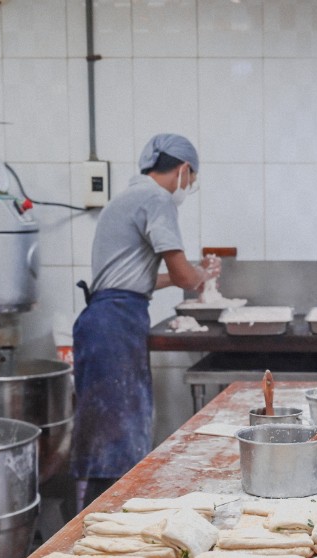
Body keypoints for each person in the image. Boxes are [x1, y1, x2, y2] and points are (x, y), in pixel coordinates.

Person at [71, 133, 221, 509]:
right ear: (184, 170)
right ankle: (104, 528)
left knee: (109, 441)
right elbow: (184, 277)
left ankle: (99, 524)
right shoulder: (156, 198)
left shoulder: (127, 198)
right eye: (192, 179)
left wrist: (193, 274)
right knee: (118, 442)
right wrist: (204, 275)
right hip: (114, 326)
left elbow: (142, 279)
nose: (188, 187)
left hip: (105, 319)